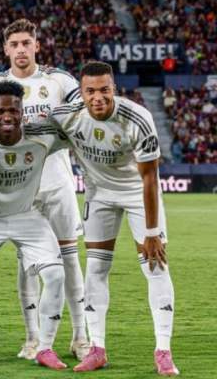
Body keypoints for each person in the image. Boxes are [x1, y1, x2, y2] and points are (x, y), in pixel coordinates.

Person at [0, 18, 89, 360]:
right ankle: (33, 338)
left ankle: (81, 336)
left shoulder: (60, 80)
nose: (21, 49)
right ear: (6, 49)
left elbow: (82, 115)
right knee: (27, 263)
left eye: (26, 43)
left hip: (57, 183)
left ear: (36, 45)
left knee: (69, 259)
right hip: (20, 188)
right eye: (14, 44)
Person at [51, 62, 178, 376]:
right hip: (99, 195)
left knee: (155, 265)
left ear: (114, 89)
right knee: (95, 268)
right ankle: (97, 349)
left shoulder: (138, 118)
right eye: (90, 91)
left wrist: (152, 232)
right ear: (81, 93)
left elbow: (150, 178)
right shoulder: (67, 116)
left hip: (137, 194)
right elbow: (23, 127)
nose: (97, 97)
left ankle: (163, 351)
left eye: (104, 90)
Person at [0, 81, 69, 371]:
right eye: (0, 111)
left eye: (14, 110)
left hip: (27, 216)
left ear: (22, 112)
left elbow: (77, 129)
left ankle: (45, 348)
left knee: (56, 275)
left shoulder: (42, 136)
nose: (7, 116)